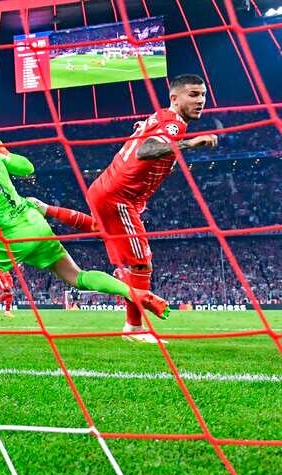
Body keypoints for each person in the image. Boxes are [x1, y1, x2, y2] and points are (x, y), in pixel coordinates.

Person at [0, 129, 169, 340]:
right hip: (36, 224)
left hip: (12, 235)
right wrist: (5, 153)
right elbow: (27, 168)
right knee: (78, 277)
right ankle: (138, 294)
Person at [85, 73, 217, 343]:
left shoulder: (162, 118)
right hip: (118, 196)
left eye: (203, 95)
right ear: (174, 98)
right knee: (142, 261)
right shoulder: (173, 123)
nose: (200, 100)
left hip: (113, 193)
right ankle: (134, 329)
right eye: (193, 95)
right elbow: (145, 151)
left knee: (133, 258)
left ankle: (124, 282)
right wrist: (189, 143)